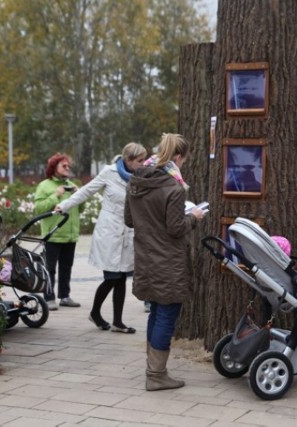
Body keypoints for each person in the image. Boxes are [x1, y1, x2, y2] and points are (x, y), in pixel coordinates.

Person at [124, 133, 205, 391]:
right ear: (178, 157)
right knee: (166, 316)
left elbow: (129, 220)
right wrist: (193, 217)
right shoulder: (173, 187)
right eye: (184, 160)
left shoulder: (136, 182)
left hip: (146, 257)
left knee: (156, 313)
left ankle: (153, 370)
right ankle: (156, 376)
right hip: (169, 261)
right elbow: (175, 228)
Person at [56, 143, 147, 332]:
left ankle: (118, 322)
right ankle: (95, 312)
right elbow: (85, 191)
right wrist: (64, 205)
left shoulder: (141, 177)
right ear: (128, 160)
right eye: (140, 160)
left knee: (122, 277)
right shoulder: (109, 172)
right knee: (112, 277)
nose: (143, 163)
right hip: (109, 231)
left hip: (128, 231)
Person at [34, 153, 82, 311]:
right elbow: (39, 208)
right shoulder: (45, 186)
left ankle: (65, 296)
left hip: (70, 235)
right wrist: (56, 195)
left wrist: (78, 196)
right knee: (50, 268)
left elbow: (80, 209)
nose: (68, 168)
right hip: (53, 234)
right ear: (54, 168)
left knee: (66, 267)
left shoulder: (71, 185)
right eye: (64, 166)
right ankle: (49, 298)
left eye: (68, 166)